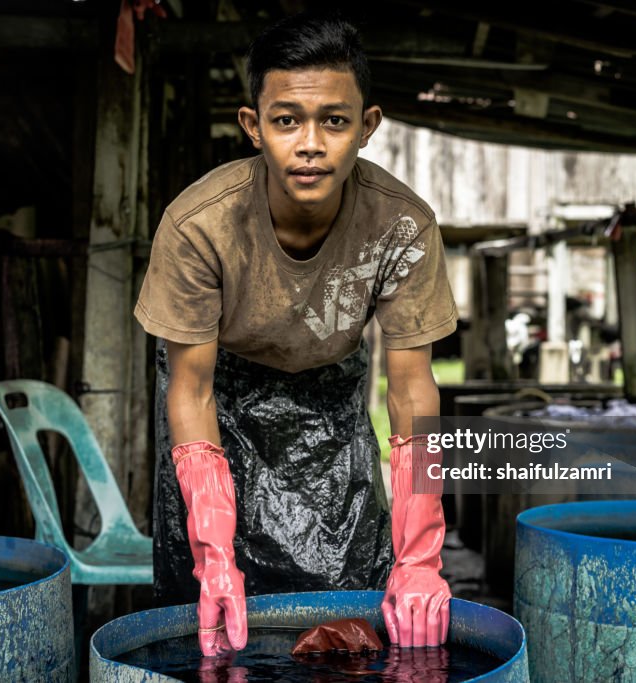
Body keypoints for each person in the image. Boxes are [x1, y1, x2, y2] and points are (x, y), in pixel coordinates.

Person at [135, 10, 457, 656]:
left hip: (333, 419)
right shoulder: (199, 226)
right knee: (211, 631)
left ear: (367, 127)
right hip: (216, 416)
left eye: (334, 121)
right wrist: (213, 550)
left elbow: (413, 394)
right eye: (287, 120)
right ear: (253, 126)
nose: (310, 143)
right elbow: (191, 391)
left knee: (351, 636)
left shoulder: (404, 228)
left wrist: (420, 555)